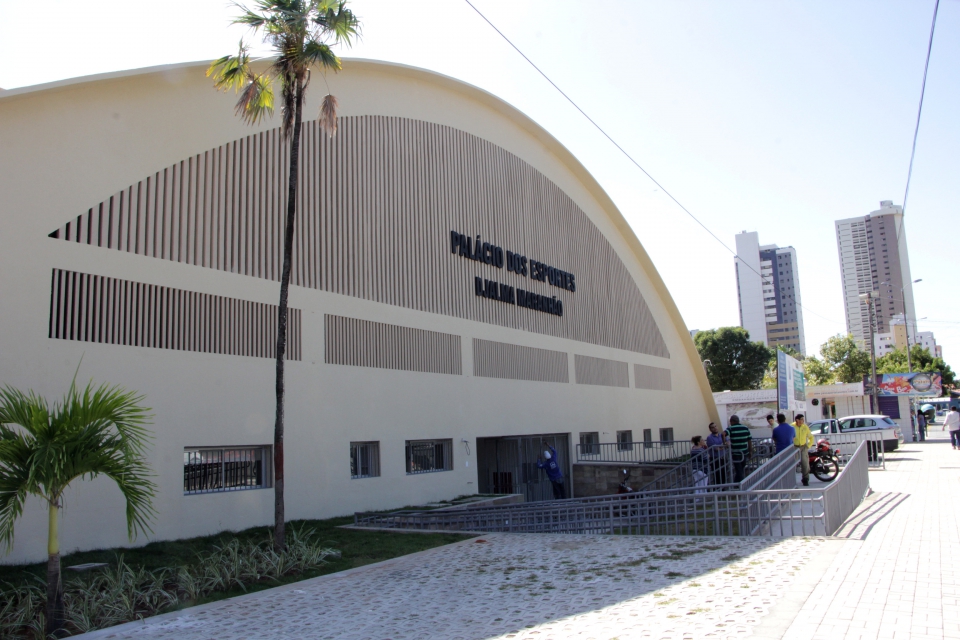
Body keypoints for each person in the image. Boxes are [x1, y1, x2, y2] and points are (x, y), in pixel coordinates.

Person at [725, 415, 753, 483]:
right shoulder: (745, 428)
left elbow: (723, 434)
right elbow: (749, 440)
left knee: (739, 469)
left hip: (735, 453)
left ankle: (740, 484)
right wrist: (750, 451)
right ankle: (737, 483)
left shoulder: (730, 428)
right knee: (740, 469)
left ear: (731, 421)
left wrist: (724, 443)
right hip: (744, 452)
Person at [792, 413, 814, 486]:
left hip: (803, 446)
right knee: (793, 463)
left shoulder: (805, 427)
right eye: (801, 419)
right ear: (797, 420)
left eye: (803, 419)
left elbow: (811, 437)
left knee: (805, 463)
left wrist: (808, 445)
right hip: (795, 447)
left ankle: (805, 479)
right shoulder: (792, 426)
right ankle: (791, 480)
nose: (803, 421)